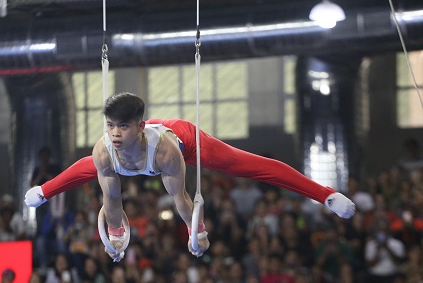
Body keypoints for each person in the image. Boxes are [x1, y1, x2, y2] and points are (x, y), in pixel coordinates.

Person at [25, 92, 355, 259]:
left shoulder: (167, 152)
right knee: (84, 168)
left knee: (252, 165)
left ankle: (325, 194)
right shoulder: (105, 148)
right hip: (127, 157)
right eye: (109, 125)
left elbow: (181, 199)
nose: (113, 133)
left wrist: (195, 231)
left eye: (121, 126)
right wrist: (114, 232)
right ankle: (44, 190)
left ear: (139, 126)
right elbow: (111, 199)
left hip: (185, 143)